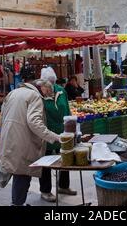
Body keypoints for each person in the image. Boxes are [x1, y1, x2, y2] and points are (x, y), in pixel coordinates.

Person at [0, 79, 60, 206]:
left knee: (18, 172)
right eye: (47, 92)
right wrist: (54, 137)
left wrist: (0, 137)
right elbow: (34, 122)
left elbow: (2, 117)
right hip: (23, 141)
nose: (46, 95)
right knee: (23, 173)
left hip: (9, 137)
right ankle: (17, 203)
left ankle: (17, 202)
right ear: (41, 87)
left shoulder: (13, 92)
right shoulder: (34, 96)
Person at [39, 67, 77, 202]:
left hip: (63, 130)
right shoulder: (39, 96)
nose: (50, 87)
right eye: (47, 84)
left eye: (52, 83)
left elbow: (67, 109)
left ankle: (63, 186)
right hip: (47, 133)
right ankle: (45, 191)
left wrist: (72, 126)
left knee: (66, 158)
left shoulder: (61, 91)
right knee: (46, 162)